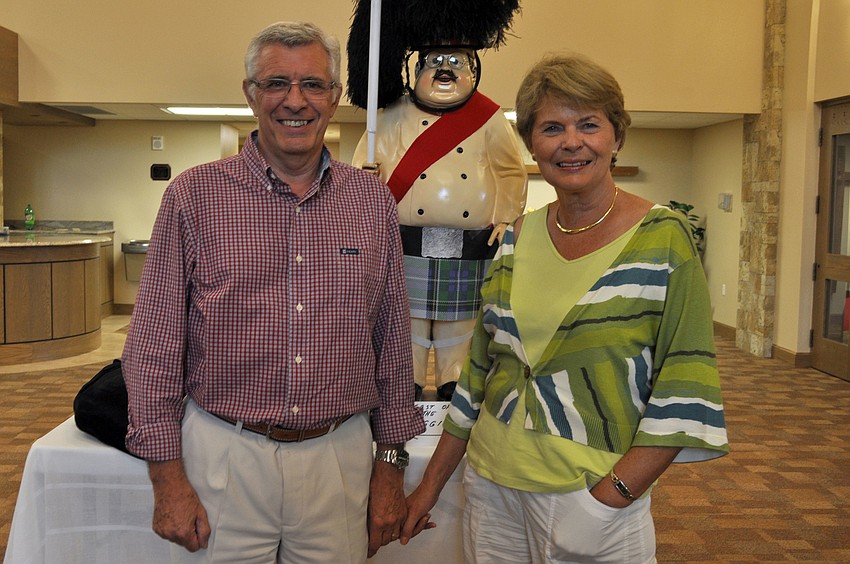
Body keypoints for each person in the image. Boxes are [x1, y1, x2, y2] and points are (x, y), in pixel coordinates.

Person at [401, 53, 730, 563]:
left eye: (589, 125)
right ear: (533, 144)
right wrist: (429, 488)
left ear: (617, 137)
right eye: (552, 127)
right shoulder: (515, 237)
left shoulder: (664, 238)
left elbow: (686, 385)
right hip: (491, 490)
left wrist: (610, 499)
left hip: (592, 496)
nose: (571, 142)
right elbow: (478, 378)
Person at [122, 21, 424, 563]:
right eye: (276, 84)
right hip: (225, 454)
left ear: (333, 99)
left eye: (313, 85)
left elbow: (392, 345)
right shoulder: (195, 197)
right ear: (250, 94)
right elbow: (153, 347)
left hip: (340, 456)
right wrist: (167, 477)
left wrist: (389, 466)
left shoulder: (372, 203)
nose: (295, 101)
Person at [348, 0, 527, 401]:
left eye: (456, 61)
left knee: (459, 321)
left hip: (469, 244)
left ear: (474, 67)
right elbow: (364, 160)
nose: (445, 69)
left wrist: (505, 216)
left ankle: (452, 382)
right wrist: (365, 179)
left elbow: (511, 171)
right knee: (407, 319)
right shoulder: (391, 115)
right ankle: (405, 381)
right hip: (405, 240)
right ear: (416, 66)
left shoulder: (491, 118)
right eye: (435, 60)